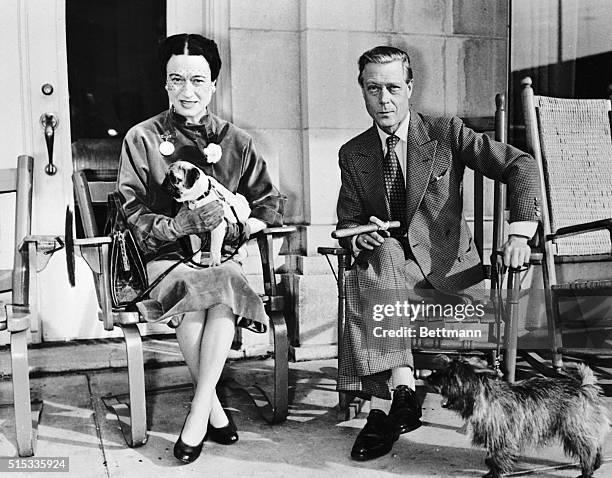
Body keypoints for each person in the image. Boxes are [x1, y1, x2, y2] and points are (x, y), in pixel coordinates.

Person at [336, 45, 541, 461]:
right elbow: (348, 225)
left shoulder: (445, 133)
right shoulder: (353, 153)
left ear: (410, 87)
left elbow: (521, 166)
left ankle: (381, 408)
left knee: (368, 283)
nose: (384, 99)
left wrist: (520, 234)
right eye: (373, 89)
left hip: (449, 281)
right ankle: (402, 390)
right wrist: (359, 239)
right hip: (391, 280)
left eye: (393, 87)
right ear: (361, 91)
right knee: (382, 255)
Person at [118, 33, 285, 463]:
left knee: (221, 283)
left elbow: (269, 201)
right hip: (163, 257)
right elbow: (130, 212)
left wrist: (243, 226)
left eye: (198, 80)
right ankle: (209, 410)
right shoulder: (141, 138)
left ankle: (199, 412)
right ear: (166, 83)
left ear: (214, 85)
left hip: (222, 255)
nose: (188, 91)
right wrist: (177, 224)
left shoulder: (237, 141)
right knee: (199, 292)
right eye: (177, 79)